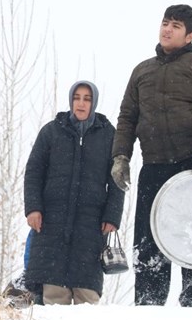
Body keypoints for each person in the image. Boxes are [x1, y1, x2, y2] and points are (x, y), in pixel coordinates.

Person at [111, 4, 192, 307]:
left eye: (176, 26)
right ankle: (148, 305)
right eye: (165, 23)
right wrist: (121, 156)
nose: (167, 29)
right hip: (153, 167)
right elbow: (127, 118)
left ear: (190, 36)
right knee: (148, 240)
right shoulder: (142, 71)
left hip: (191, 168)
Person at [23, 81, 124, 305]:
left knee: (87, 299)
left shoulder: (108, 135)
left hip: (91, 226)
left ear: (94, 103)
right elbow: (33, 172)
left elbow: (117, 178)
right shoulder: (51, 131)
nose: (81, 103)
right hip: (52, 223)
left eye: (87, 99)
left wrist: (112, 215)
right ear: (71, 100)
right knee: (54, 298)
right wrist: (33, 208)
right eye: (77, 98)